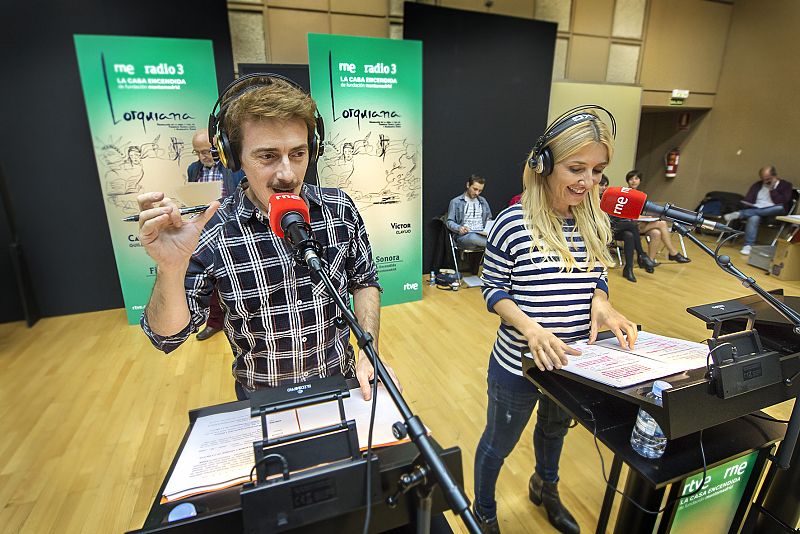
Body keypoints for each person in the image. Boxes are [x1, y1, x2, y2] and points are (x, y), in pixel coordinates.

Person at [136, 74, 399, 401]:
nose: (287, 174)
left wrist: (368, 349)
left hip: (342, 388)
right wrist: (170, 270)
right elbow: (167, 338)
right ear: (234, 158)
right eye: (268, 156)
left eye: (299, 153)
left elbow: (363, 281)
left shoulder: (339, 209)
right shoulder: (212, 229)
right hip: (262, 401)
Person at [474, 108, 637, 534]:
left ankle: (545, 488)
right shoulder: (513, 222)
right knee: (498, 444)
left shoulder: (594, 222)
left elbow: (598, 274)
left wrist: (601, 300)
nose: (588, 181)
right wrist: (529, 327)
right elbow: (492, 289)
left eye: (598, 171)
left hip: (569, 363)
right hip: (518, 367)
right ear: (544, 165)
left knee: (554, 434)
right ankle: (484, 511)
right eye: (576, 168)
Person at [186, 128, 246, 340]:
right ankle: (214, 322)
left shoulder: (234, 167)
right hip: (204, 230)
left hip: (231, 229)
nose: (204, 156)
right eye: (198, 152)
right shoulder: (193, 169)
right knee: (207, 279)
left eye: (208, 151)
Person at [723, 165, 794, 255]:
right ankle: (748, 246)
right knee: (753, 217)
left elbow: (782, 201)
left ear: (775, 176)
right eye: (763, 179)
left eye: (768, 179)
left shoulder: (786, 185)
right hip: (757, 209)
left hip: (775, 211)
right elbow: (748, 199)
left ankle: (741, 214)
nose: (766, 181)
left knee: (780, 207)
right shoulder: (757, 185)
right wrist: (748, 204)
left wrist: (772, 189)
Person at [625, 170, 690, 263]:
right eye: (631, 179)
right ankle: (673, 252)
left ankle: (649, 261)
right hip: (631, 225)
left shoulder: (642, 195)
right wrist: (644, 218)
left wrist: (648, 217)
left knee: (656, 233)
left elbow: (643, 211)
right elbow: (628, 214)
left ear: (640, 180)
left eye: (636, 178)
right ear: (627, 181)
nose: (634, 181)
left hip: (642, 223)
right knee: (662, 223)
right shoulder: (626, 194)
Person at [599, 175, 656, 282]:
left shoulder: (609, 197)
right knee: (631, 225)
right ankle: (642, 255)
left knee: (629, 235)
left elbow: (616, 216)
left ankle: (628, 268)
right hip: (601, 230)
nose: (604, 187)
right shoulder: (591, 199)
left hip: (615, 228)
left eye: (606, 185)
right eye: (601, 185)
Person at [446, 175, 493, 249]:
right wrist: (459, 228)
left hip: (482, 235)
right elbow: (449, 222)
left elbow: (489, 220)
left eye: (480, 190)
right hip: (465, 237)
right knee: (473, 237)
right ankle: (496, 246)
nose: (477, 193)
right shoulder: (456, 202)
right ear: (468, 185)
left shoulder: (483, 201)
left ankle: (494, 245)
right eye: (475, 189)